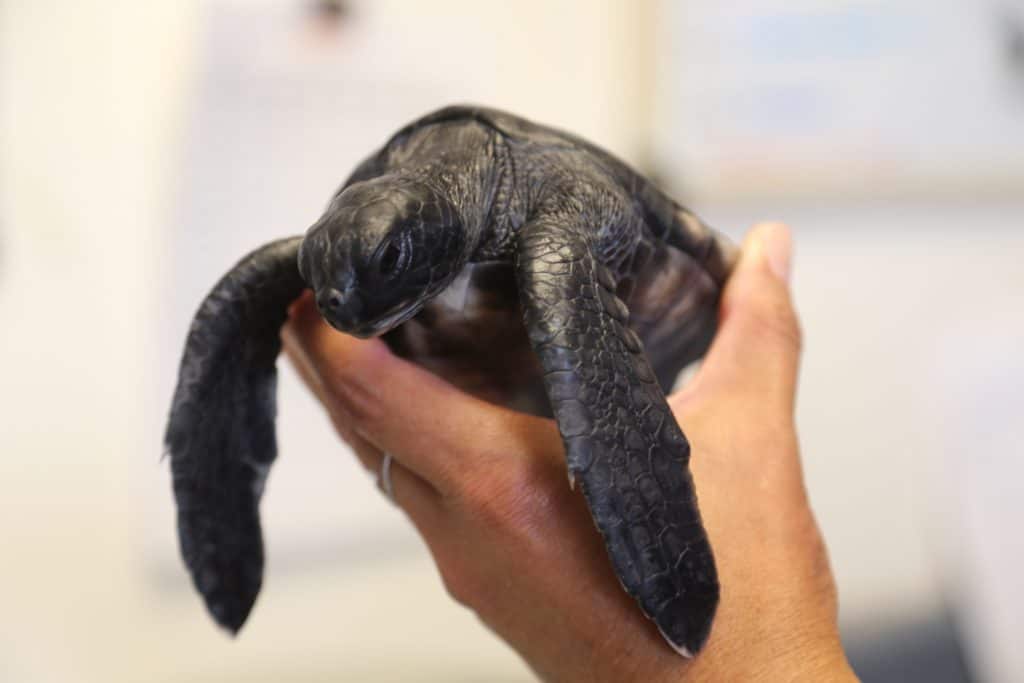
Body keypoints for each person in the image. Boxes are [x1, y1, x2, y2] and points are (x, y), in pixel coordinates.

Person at [281, 223, 859, 681]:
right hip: (490, 352)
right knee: (262, 280)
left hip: (603, 285)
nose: (340, 301)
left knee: (555, 264)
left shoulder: (554, 239)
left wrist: (720, 671)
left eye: (387, 261)